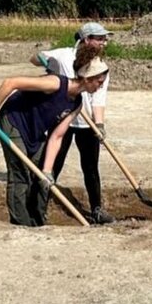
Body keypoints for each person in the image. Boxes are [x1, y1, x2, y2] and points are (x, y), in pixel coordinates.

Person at [0, 43, 109, 227]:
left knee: (41, 175)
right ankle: (21, 222)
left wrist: (47, 172)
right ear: (88, 78)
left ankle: (38, 220)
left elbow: (57, 136)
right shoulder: (55, 83)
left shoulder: (77, 103)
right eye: (99, 82)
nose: (100, 86)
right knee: (20, 172)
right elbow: (11, 83)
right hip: (14, 121)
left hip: (35, 131)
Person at [30, 21, 115, 225]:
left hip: (86, 124)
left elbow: (99, 98)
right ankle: (37, 209)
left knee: (91, 168)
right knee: (53, 164)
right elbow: (34, 58)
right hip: (62, 117)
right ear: (87, 40)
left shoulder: (101, 66)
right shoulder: (64, 55)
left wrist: (99, 124)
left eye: (105, 39)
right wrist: (44, 60)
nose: (105, 42)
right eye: (100, 38)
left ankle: (96, 210)